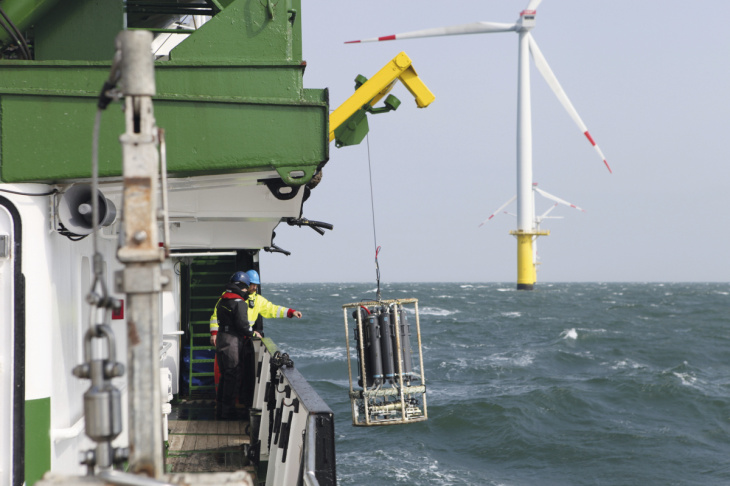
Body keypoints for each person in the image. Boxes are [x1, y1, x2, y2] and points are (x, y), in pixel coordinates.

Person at [209, 269, 302, 414]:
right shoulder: (238, 300)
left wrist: (290, 312)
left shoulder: (229, 298)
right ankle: (228, 410)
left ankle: (226, 407)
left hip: (238, 340)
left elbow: (272, 309)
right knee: (232, 374)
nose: (254, 288)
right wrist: (214, 332)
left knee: (232, 375)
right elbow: (223, 319)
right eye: (251, 285)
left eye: (256, 286)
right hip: (236, 339)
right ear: (245, 284)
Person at [209, 271, 259, 420]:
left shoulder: (223, 300)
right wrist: (253, 334)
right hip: (232, 342)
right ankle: (228, 412)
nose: (246, 290)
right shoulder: (239, 303)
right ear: (242, 286)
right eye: (246, 287)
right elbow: (243, 326)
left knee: (225, 376)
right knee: (232, 376)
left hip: (222, 338)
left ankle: (221, 410)